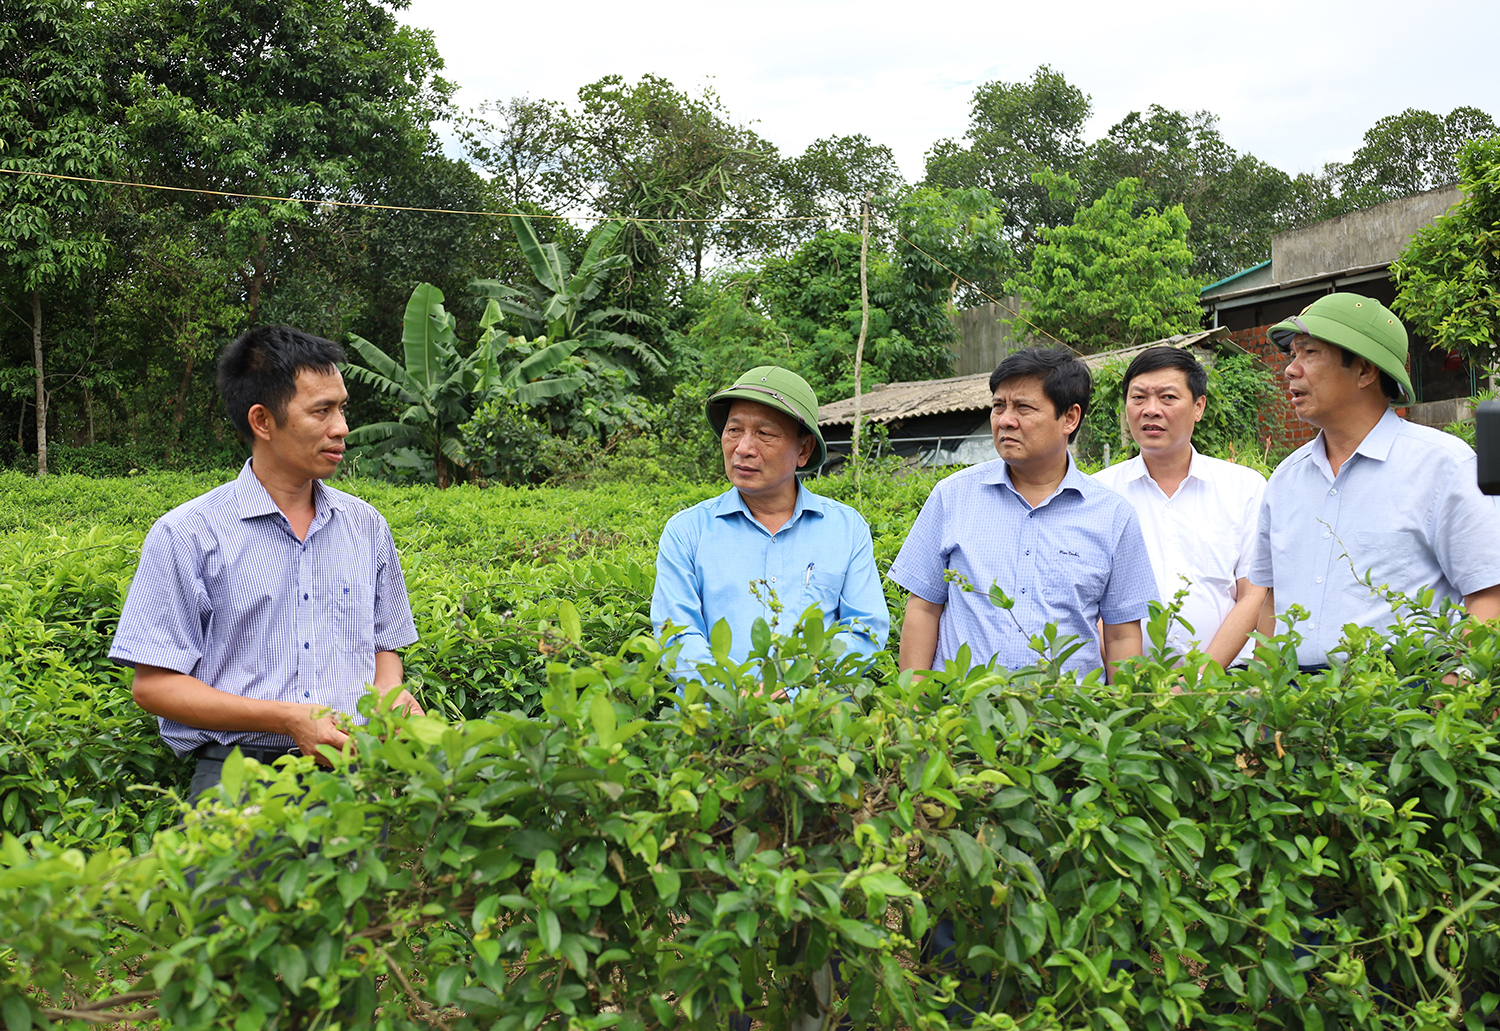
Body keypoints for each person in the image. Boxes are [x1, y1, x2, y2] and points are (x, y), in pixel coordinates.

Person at [110, 325, 422, 802]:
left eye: (341, 408)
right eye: (321, 411)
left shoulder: (366, 526)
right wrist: (286, 718)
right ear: (262, 421)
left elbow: (385, 645)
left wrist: (386, 694)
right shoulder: (189, 533)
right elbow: (154, 687)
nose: (341, 427)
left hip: (357, 774)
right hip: (239, 780)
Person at [1249, 292, 1500, 670]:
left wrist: (1454, 697)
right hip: (1297, 708)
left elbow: (1489, 596)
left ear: (1366, 371)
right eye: (1293, 355)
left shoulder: (1443, 467)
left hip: (1404, 704)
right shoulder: (1284, 480)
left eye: (1310, 353)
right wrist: (1263, 701)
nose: (1290, 369)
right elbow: (1271, 601)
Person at [889, 347, 1157, 680]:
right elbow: (923, 609)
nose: (1005, 420)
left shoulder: (1113, 515)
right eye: (998, 406)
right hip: (960, 715)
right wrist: (913, 707)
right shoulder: (952, 496)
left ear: (1069, 418)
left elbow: (1121, 634)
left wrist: (1121, 714)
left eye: (1023, 408)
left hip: (1067, 719)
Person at [650, 365, 888, 682]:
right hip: (712, 723)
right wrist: (732, 696)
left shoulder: (846, 529)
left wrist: (793, 686)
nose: (744, 448)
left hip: (816, 721)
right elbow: (677, 634)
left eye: (765, 434)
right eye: (734, 430)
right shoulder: (687, 532)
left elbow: (865, 629)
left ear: (803, 449)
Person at [1092, 347, 1267, 668]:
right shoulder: (1099, 493)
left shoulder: (1244, 487)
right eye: (1138, 397)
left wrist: (1200, 677)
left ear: (1198, 407)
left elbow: (1254, 594)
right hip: (1129, 689)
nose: (1151, 410)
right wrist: (1131, 679)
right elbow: (1089, 598)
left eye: (1168, 397)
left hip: (1224, 683)